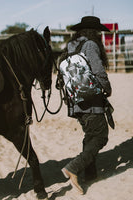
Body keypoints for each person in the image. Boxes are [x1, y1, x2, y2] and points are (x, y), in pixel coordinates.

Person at [58, 16, 112, 194]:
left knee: (90, 134)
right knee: (101, 136)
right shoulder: (90, 45)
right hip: (91, 99)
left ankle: (90, 173)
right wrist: (107, 88)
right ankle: (73, 168)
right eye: (97, 31)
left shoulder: (71, 46)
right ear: (93, 31)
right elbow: (97, 70)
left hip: (75, 100)